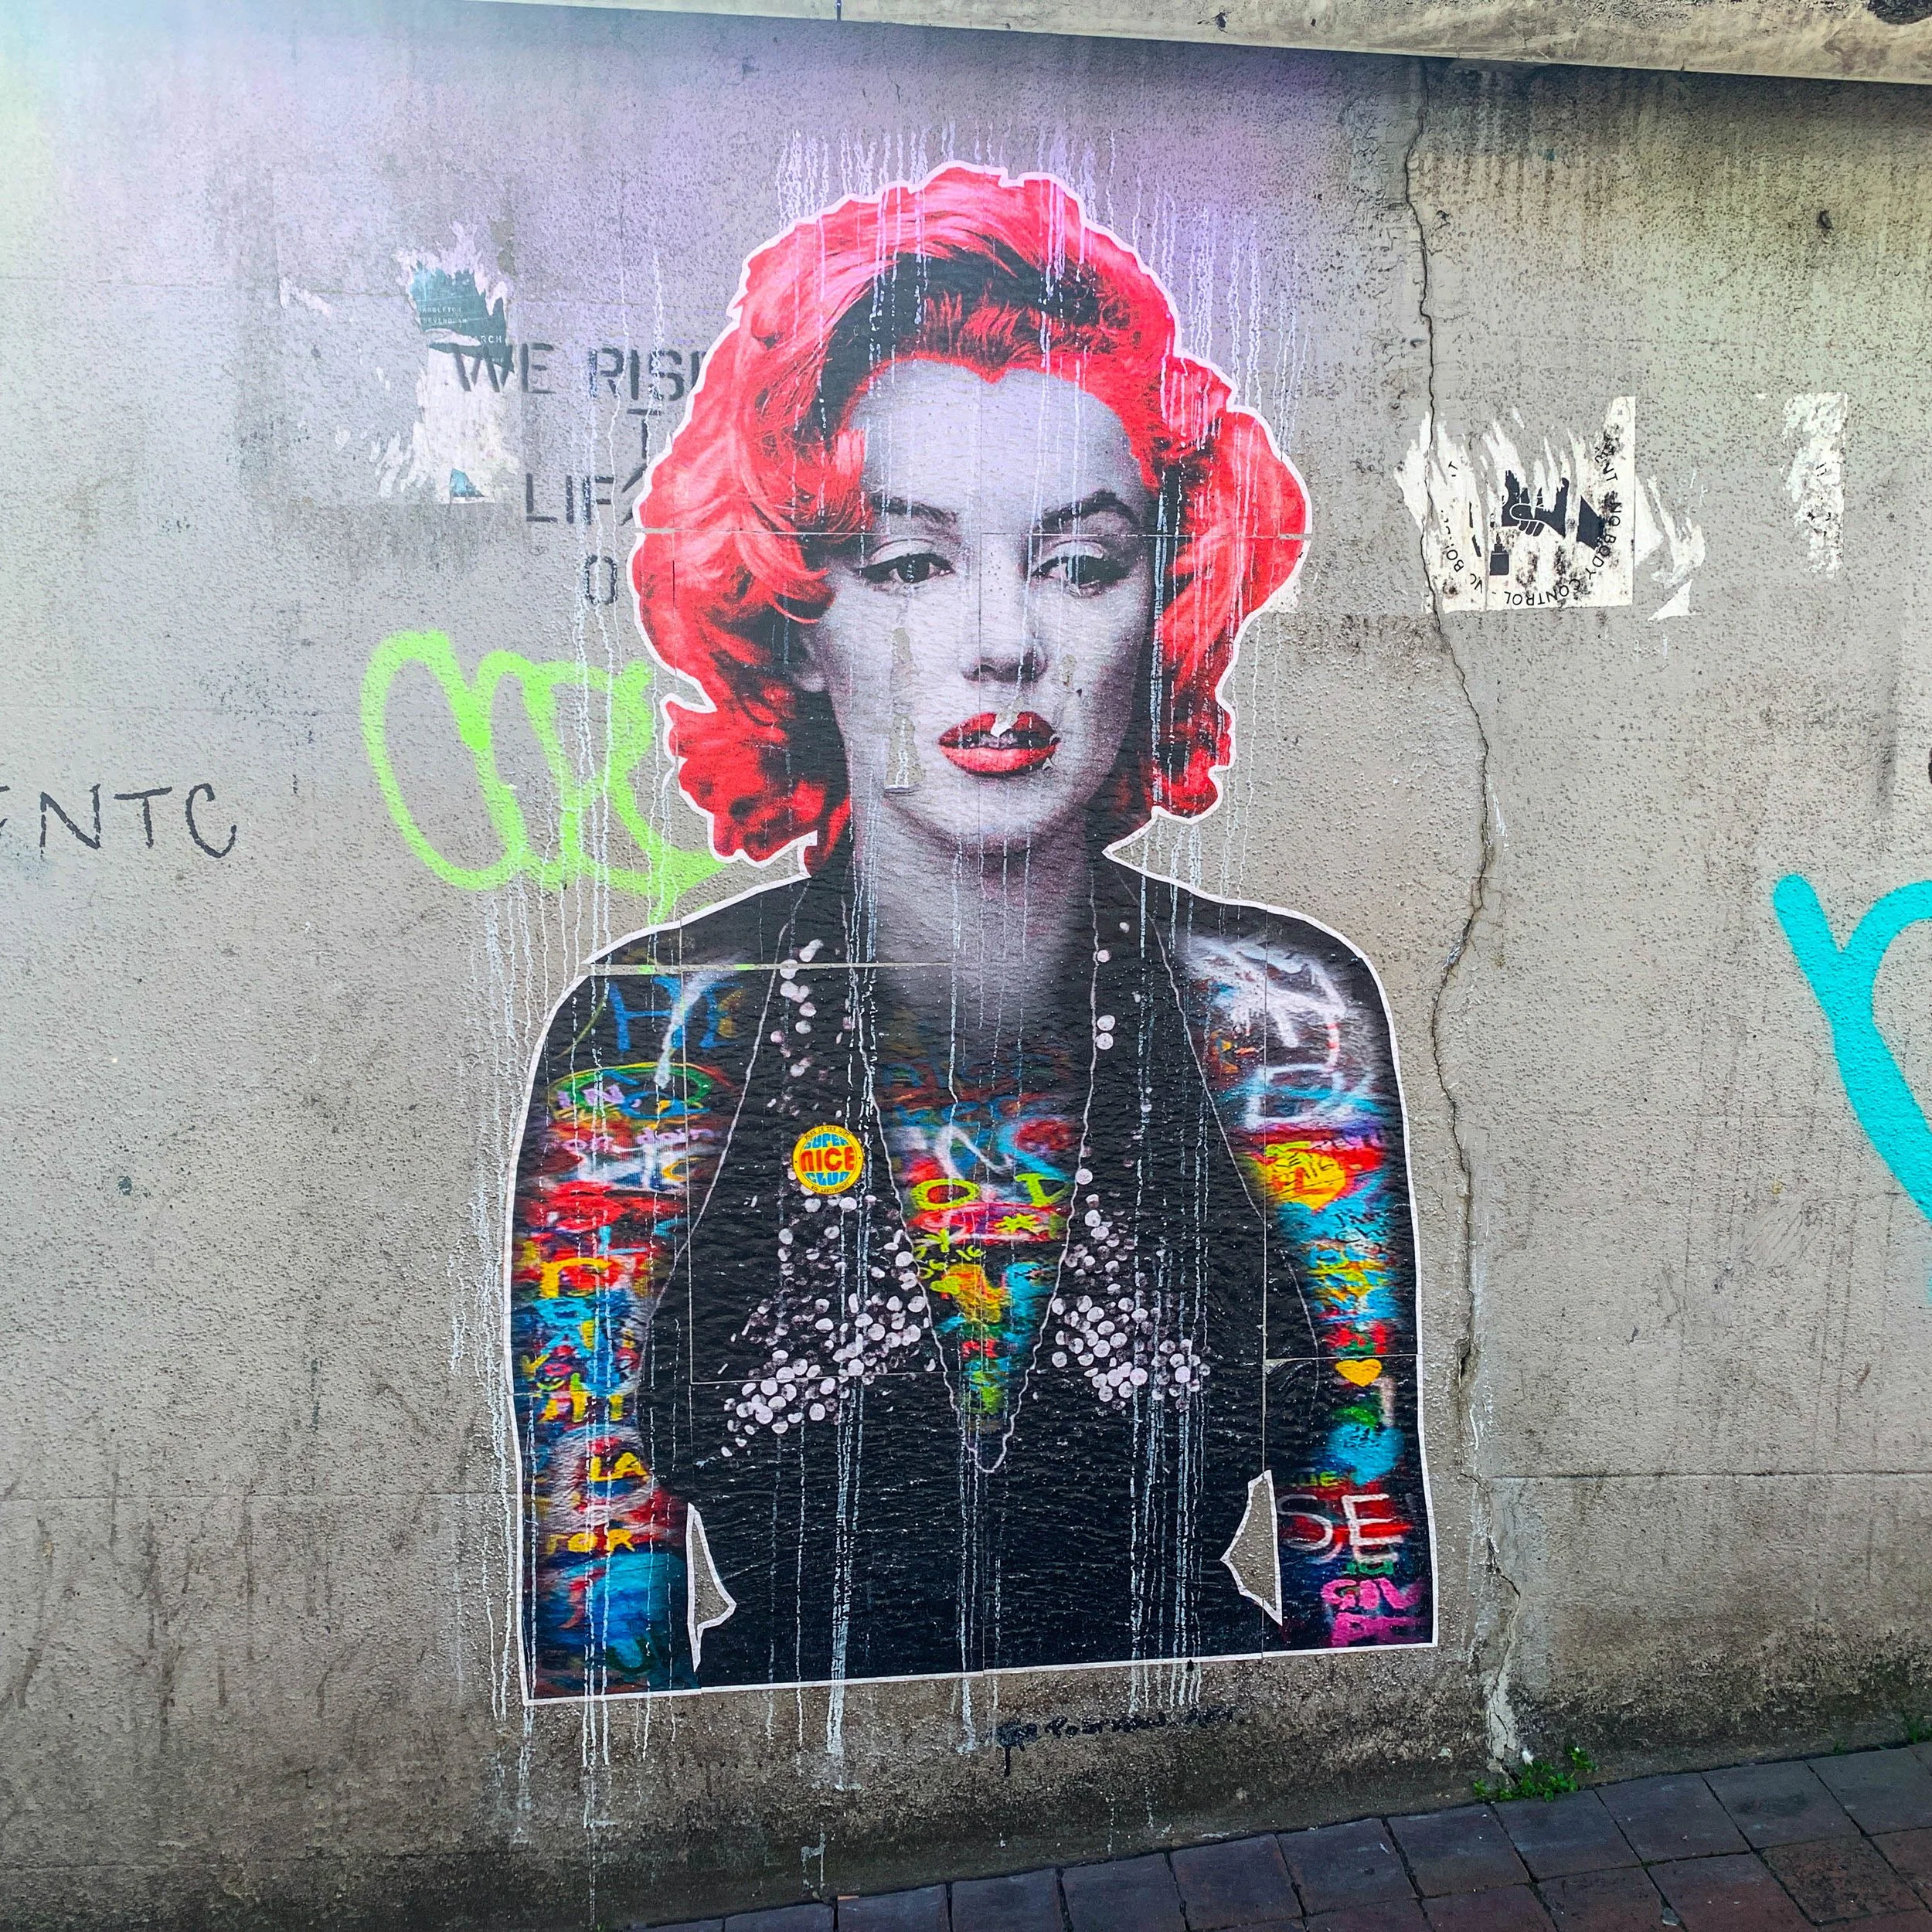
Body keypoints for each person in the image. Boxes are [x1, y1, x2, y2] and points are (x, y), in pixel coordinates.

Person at [509, 165, 1432, 1699]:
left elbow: (1358, 1542)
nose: (1002, 636)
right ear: (792, 610)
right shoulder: (653, 1045)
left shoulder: (1278, 1022)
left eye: (1078, 562)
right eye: (908, 562)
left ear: (1167, 600)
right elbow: (599, 1621)